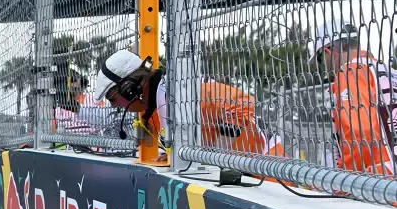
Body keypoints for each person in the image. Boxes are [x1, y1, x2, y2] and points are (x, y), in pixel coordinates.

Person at [94, 49, 286, 159]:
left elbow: (244, 105)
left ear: (130, 87)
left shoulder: (186, 92)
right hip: (238, 177)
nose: (113, 106)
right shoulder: (149, 112)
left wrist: (215, 153)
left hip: (267, 169)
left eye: (112, 98)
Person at [308, 19, 397, 175]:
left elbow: (359, 133)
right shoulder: (388, 71)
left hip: (383, 179)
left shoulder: (351, 72)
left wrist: (346, 180)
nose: (323, 67)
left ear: (328, 51)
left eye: (320, 59)